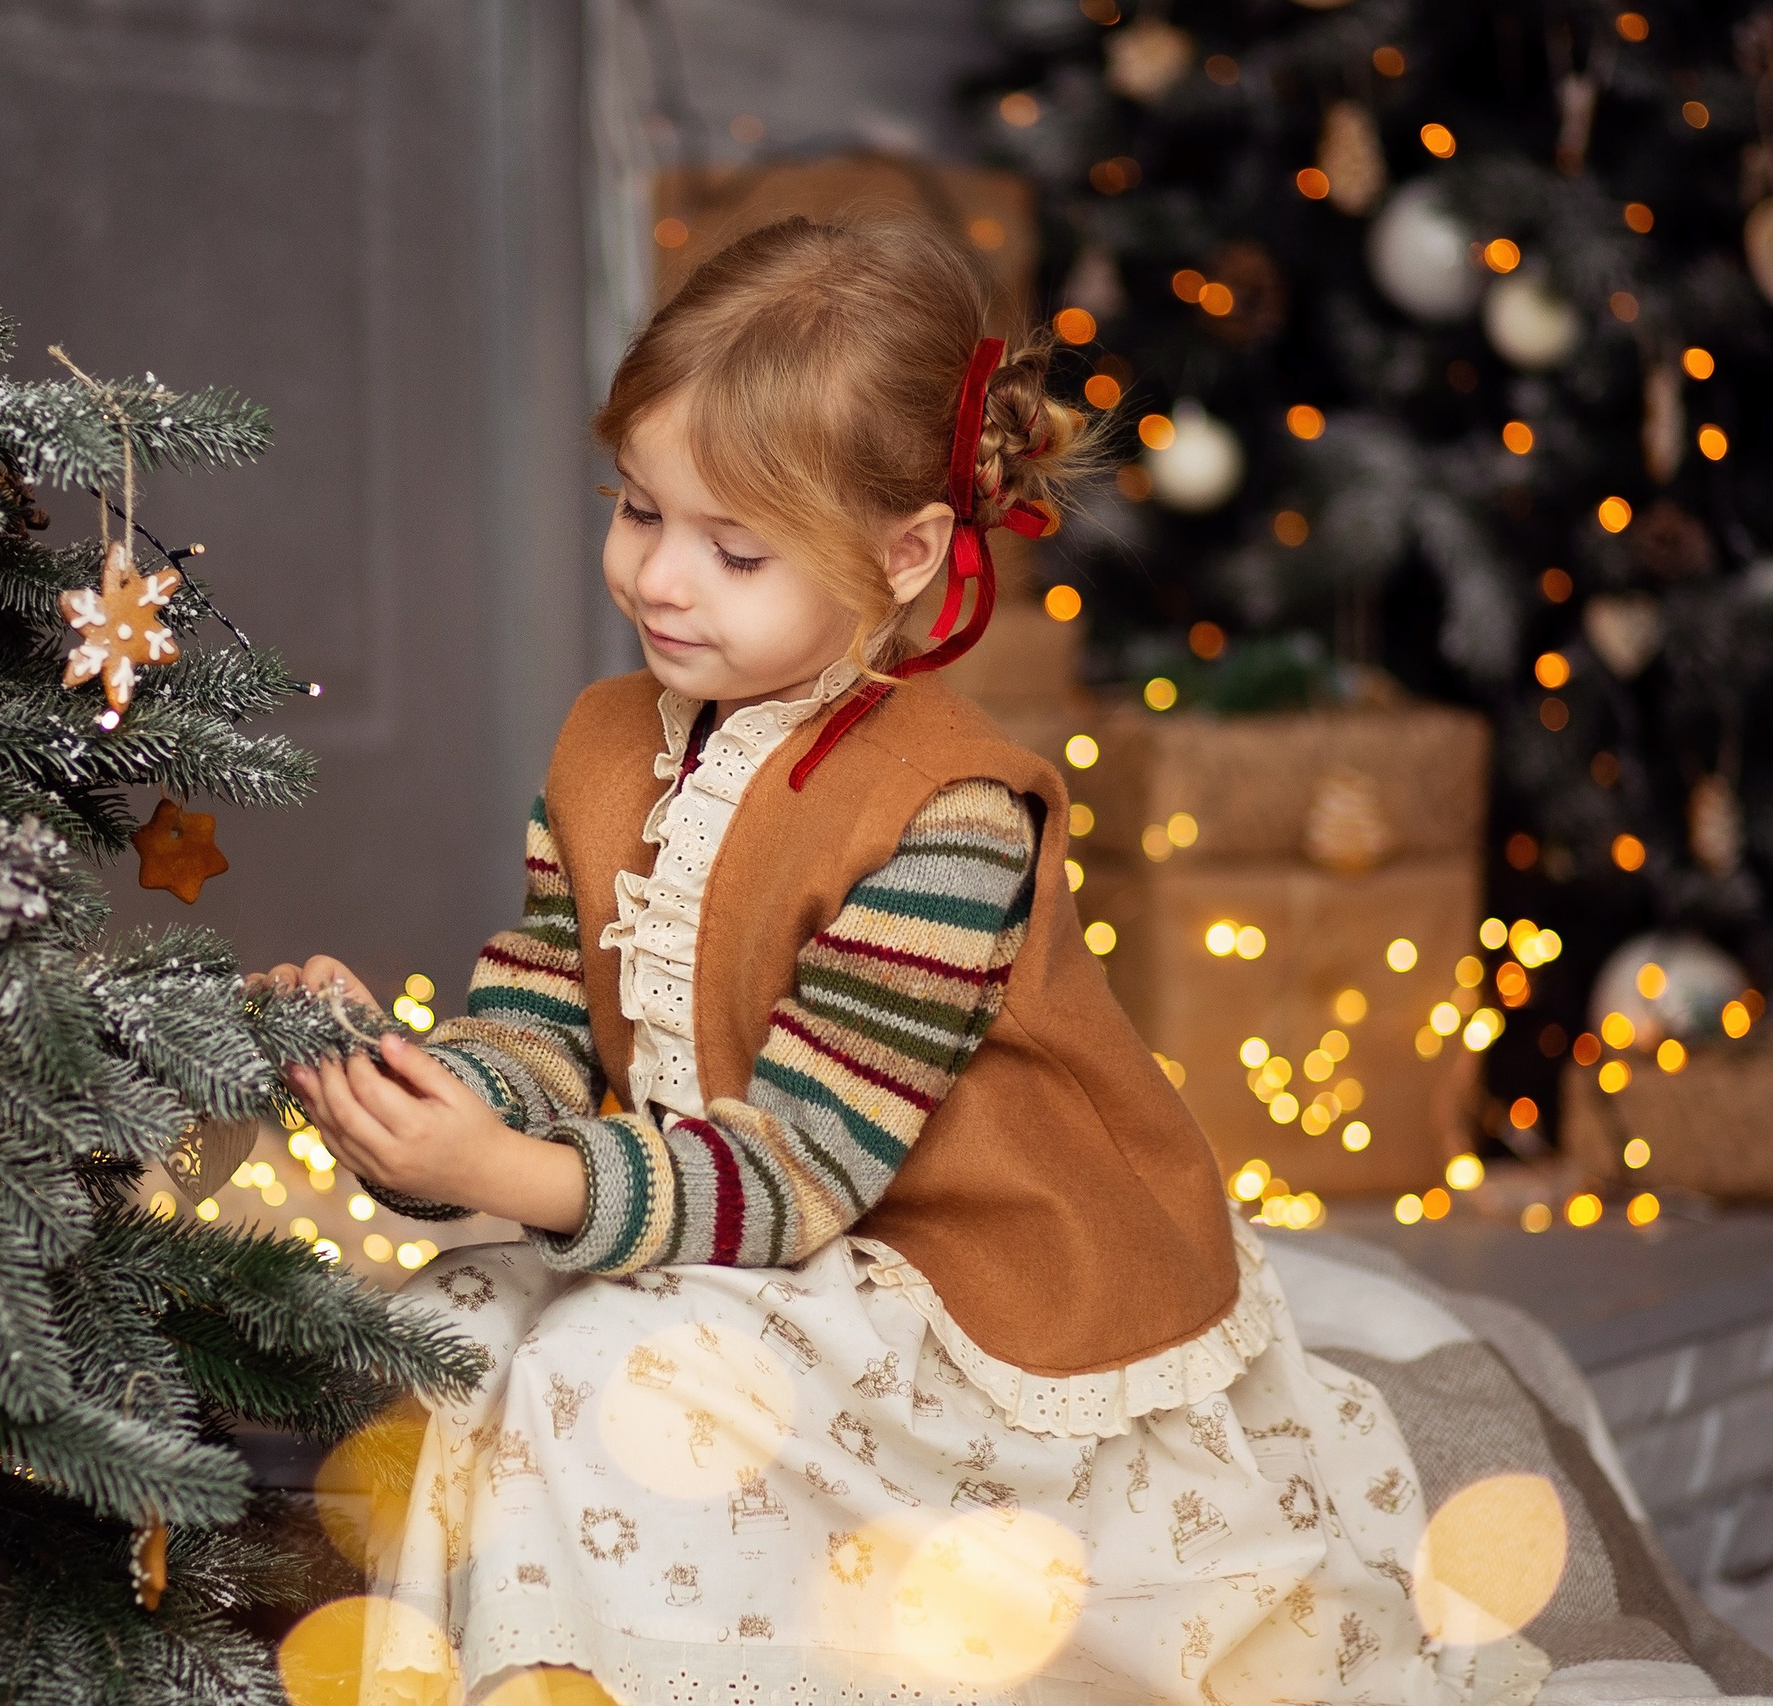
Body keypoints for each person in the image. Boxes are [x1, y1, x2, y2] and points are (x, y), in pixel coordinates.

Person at [262, 217, 1545, 1706]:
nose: (660, 579)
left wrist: (521, 1175)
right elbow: (545, 1021)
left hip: (939, 1280)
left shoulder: (949, 811)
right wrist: (418, 1103)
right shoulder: (611, 743)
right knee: (444, 1326)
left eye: (736, 549)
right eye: (637, 511)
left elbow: (809, 1165)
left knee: (608, 1383)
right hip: (704, 1224)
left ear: (905, 553)